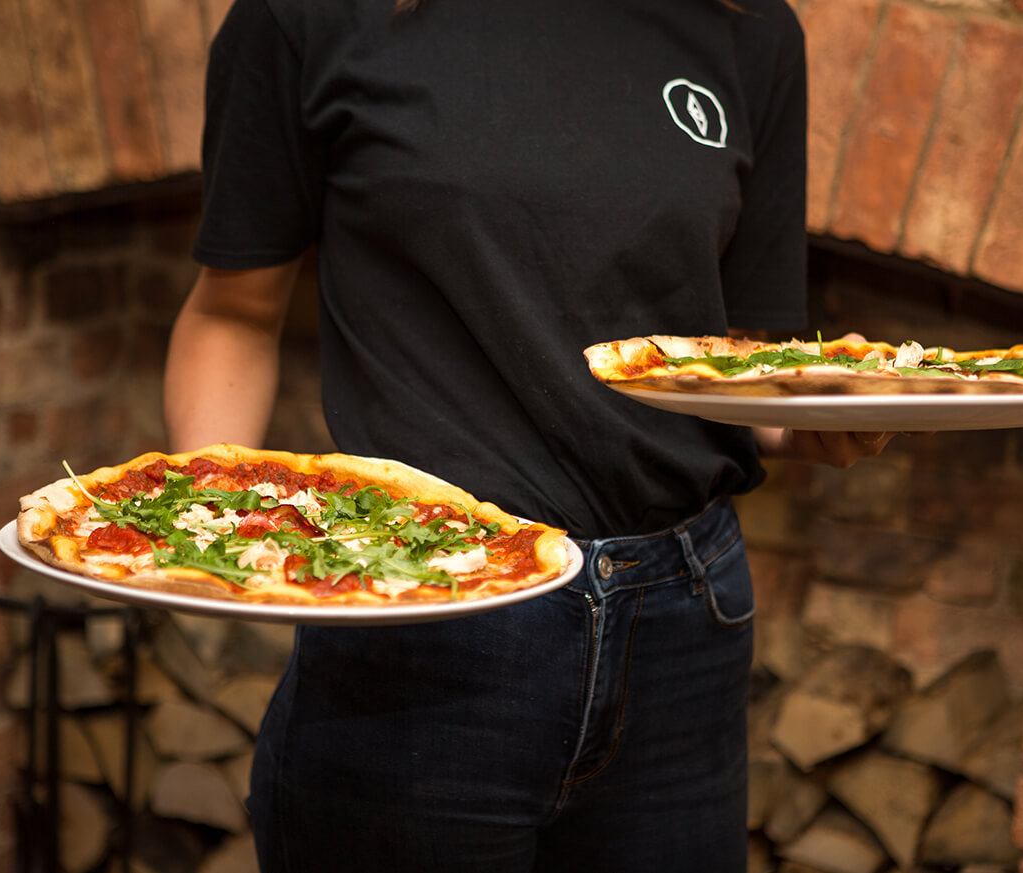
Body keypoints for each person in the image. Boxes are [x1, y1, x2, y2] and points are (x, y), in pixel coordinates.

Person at [163, 0, 891, 870]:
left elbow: (744, 360)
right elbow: (234, 313)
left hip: (684, 627)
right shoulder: (307, 16)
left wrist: (821, 415)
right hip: (420, 620)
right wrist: (202, 523)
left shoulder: (750, 27)